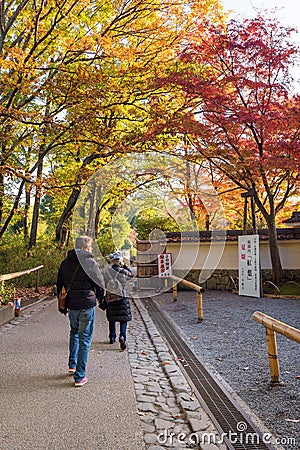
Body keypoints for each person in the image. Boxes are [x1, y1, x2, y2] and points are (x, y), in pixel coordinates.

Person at [57, 235, 104, 387]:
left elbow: (59, 284)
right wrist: (101, 299)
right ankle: (80, 376)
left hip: (72, 305)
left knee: (74, 332)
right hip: (87, 304)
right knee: (85, 339)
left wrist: (62, 302)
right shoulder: (90, 263)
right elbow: (99, 283)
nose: (91, 249)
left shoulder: (65, 263)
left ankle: (72, 364)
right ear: (85, 248)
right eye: (90, 247)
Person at [103, 252, 133, 350]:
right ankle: (122, 336)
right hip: (122, 297)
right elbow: (131, 275)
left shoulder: (106, 272)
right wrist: (125, 266)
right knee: (123, 319)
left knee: (112, 318)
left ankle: (112, 337)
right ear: (119, 261)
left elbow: (102, 283)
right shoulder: (123, 271)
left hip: (111, 298)